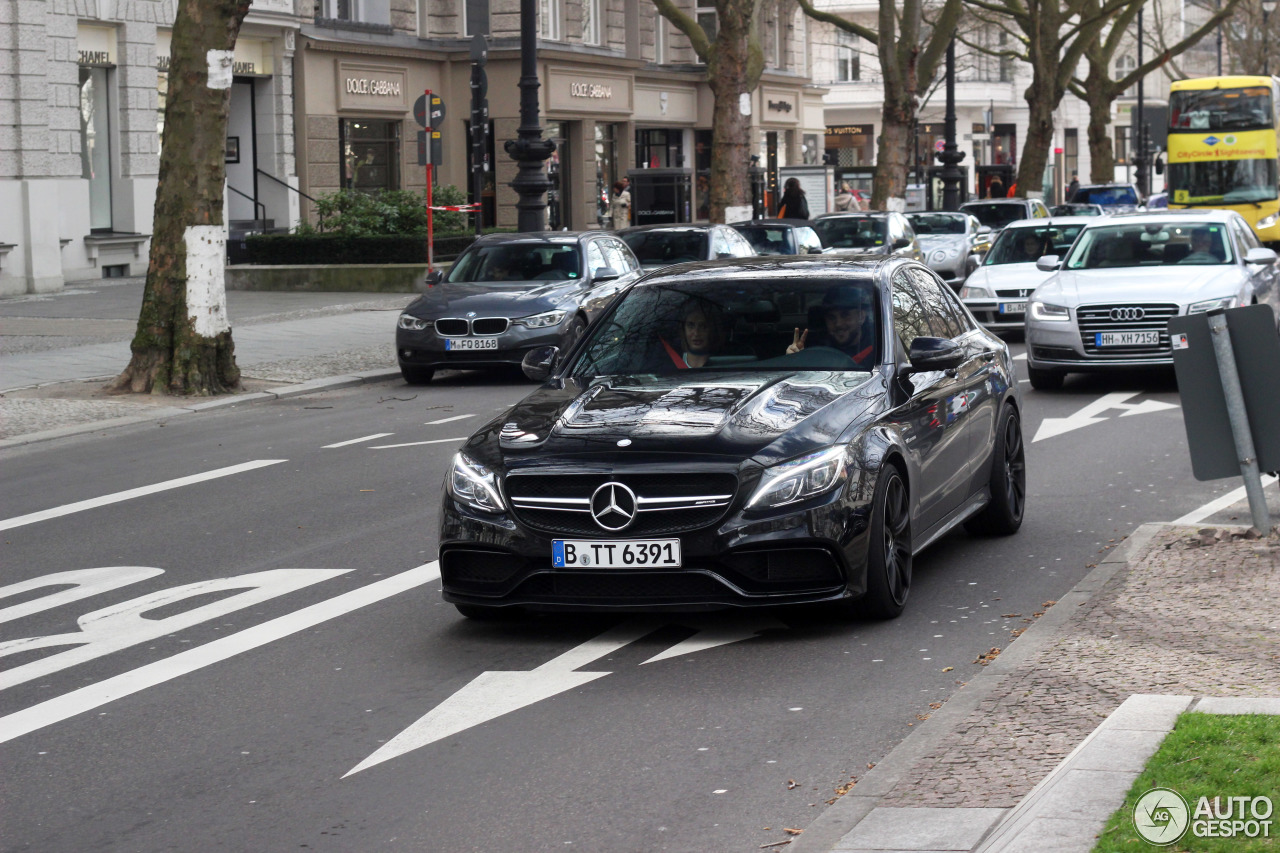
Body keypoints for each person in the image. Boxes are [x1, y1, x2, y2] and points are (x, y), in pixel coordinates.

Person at [786, 285, 876, 368]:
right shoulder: (814, 347)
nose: (838, 324)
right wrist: (795, 359)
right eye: (831, 318)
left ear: (861, 317)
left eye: (845, 315)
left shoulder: (879, 351)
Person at [660, 301, 725, 368]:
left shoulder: (724, 365)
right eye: (690, 326)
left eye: (703, 326)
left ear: (712, 330)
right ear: (683, 330)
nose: (696, 333)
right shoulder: (668, 364)